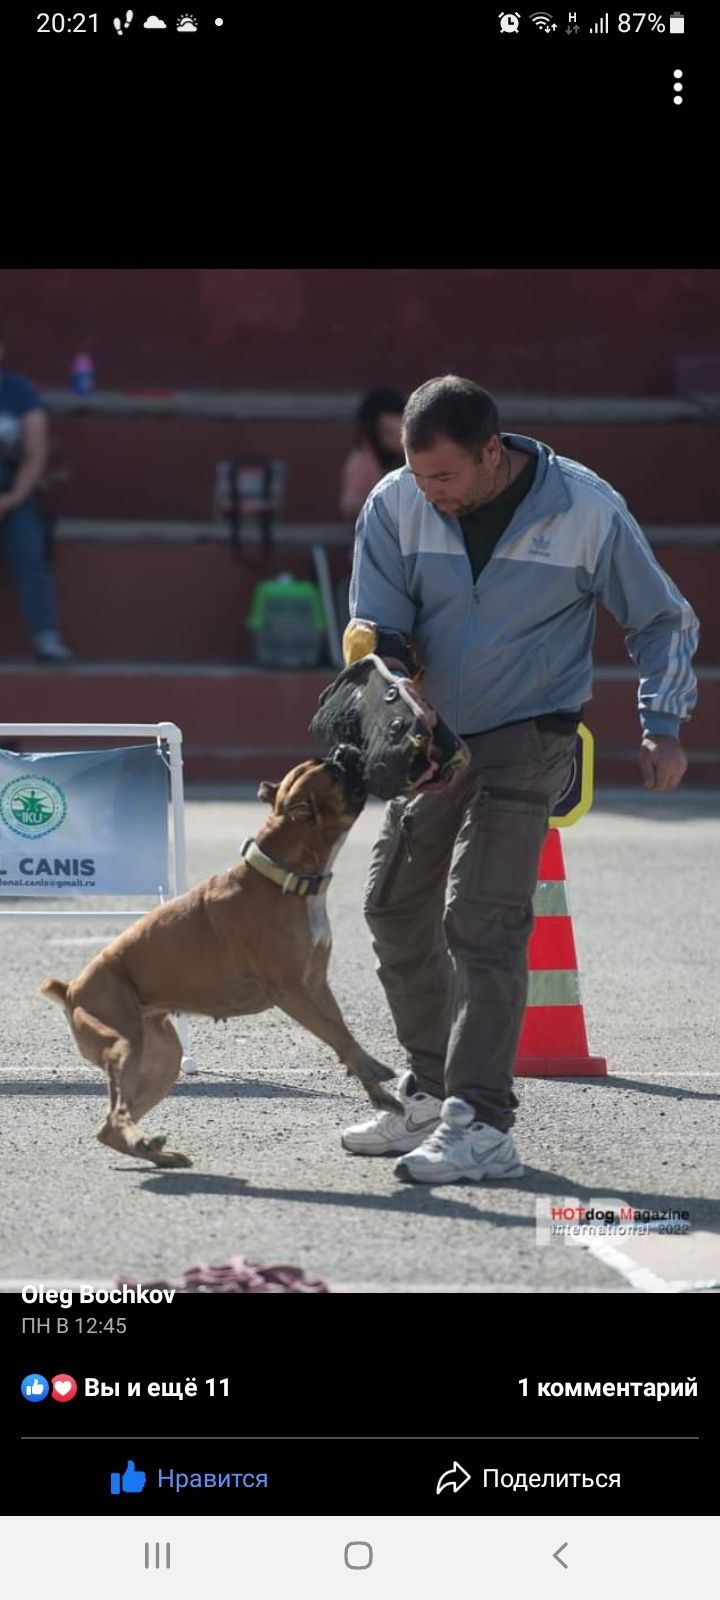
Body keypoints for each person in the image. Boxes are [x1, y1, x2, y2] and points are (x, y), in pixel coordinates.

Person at [341, 375, 699, 1186]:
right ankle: (427, 1097)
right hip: (431, 734)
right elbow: (377, 628)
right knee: (393, 904)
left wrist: (663, 721)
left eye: (446, 478)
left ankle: (482, 1123)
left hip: (530, 733)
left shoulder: (585, 508)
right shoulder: (396, 504)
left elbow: (661, 616)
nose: (429, 492)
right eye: (418, 474)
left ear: (492, 454)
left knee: (484, 920)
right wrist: (393, 701)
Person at [0, 331, 73, 664]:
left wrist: (12, 498)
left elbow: (35, 453)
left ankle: (47, 640)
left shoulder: (20, 392)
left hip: (11, 495)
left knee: (30, 549)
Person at [335, 388, 406, 635]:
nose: (395, 437)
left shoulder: (414, 460)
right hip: (377, 554)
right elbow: (351, 505)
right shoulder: (363, 462)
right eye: (387, 432)